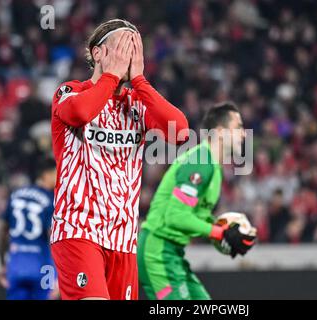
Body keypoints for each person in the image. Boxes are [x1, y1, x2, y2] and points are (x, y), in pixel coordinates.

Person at [49, 19, 188, 300]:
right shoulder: (70, 91)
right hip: (79, 229)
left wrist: (140, 81)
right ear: (97, 53)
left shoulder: (137, 102)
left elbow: (180, 131)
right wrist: (111, 76)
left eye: (135, 49)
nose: (129, 55)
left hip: (124, 239)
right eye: (123, 46)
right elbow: (79, 114)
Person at [138, 102, 256, 300]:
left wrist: (228, 235)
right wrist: (219, 232)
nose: (244, 134)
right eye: (238, 128)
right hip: (157, 251)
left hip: (173, 252)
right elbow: (175, 216)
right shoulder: (200, 161)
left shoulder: (214, 168)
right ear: (220, 132)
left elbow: (196, 216)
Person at [0, 158, 59, 300]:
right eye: (57, 172)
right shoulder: (51, 198)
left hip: (16, 265)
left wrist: (3, 263)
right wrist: (58, 273)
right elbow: (52, 235)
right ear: (46, 174)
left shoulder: (16, 194)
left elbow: (1, 231)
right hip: (43, 268)